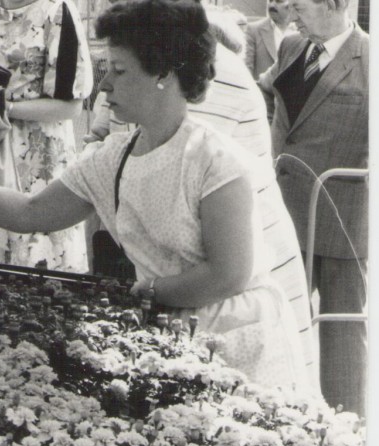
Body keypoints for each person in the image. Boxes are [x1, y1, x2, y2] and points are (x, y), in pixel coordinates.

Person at [0, 0, 309, 390]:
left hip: (239, 342)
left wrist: (146, 292)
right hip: (170, 333)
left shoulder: (215, 162)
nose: (104, 85)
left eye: (119, 71)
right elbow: (30, 212)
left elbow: (228, 275)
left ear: (163, 73)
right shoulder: (113, 158)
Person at [84, 5, 320, 390]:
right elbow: (112, 137)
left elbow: (178, 191)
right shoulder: (140, 56)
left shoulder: (199, 77)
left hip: (233, 285)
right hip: (192, 284)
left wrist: (150, 287)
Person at [257, 0, 368, 415]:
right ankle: (278, 423)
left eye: (298, 4)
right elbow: (266, 94)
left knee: (341, 340)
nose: (290, 12)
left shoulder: (370, 58)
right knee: (278, 327)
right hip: (283, 215)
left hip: (341, 220)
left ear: (333, 4)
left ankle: (346, 435)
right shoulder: (291, 47)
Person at [0, 0, 93, 273]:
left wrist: (8, 109)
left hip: (36, 154)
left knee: (35, 250)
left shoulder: (57, 11)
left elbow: (72, 105)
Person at [245, 0, 294, 79]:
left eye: (278, 1)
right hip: (260, 90)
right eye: (270, 1)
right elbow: (246, 71)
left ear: (292, 3)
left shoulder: (302, 31)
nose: (272, 5)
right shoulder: (254, 30)